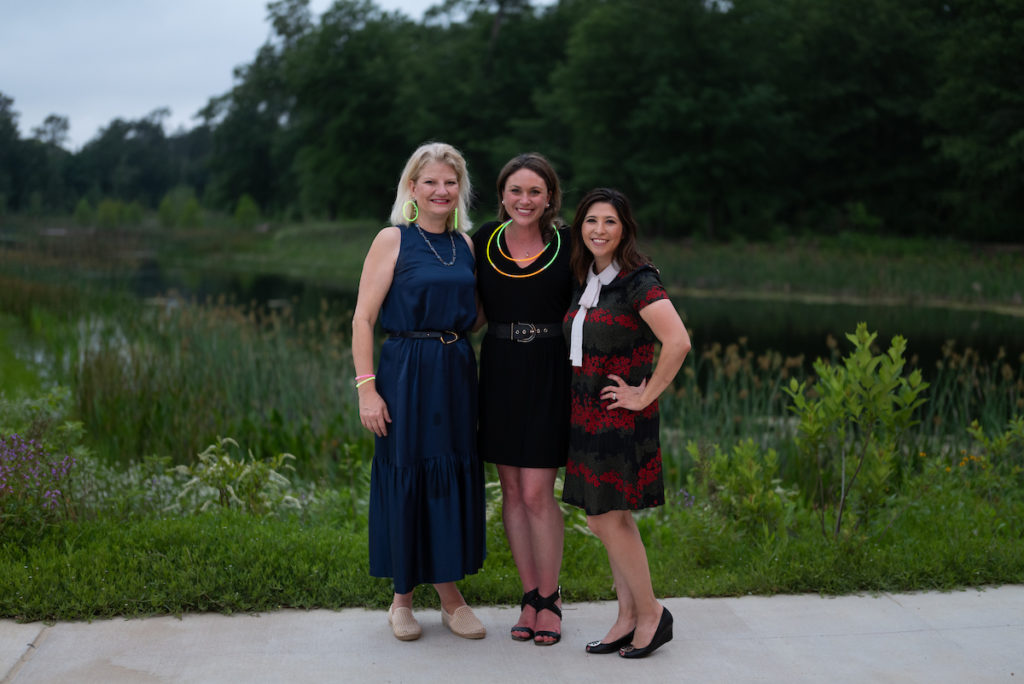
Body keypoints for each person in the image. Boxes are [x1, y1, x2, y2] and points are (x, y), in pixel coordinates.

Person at [352, 142, 486, 642]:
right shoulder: (393, 239)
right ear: (412, 187)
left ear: (460, 189)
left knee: (448, 473)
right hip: (405, 370)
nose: (440, 190)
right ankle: (402, 599)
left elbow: (476, 314)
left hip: (455, 371)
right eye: (430, 181)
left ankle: (450, 598)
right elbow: (363, 318)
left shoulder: (465, 244)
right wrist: (367, 389)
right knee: (407, 470)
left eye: (450, 182)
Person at [561, 188, 691, 659]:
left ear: (625, 229)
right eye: (591, 221)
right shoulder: (588, 277)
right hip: (586, 415)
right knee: (608, 520)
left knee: (605, 518)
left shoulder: (638, 280)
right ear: (580, 227)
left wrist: (644, 394)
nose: (599, 230)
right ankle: (628, 616)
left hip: (619, 417)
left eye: (609, 222)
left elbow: (678, 341)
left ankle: (652, 613)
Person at [472, 153, 573, 646]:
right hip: (499, 367)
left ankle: (551, 599)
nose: (525, 200)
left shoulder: (569, 243)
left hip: (549, 368)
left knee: (536, 493)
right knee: (511, 492)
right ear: (502, 195)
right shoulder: (483, 241)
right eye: (516, 190)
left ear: (550, 197)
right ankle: (529, 597)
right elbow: (470, 311)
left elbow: (602, 293)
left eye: (535, 191)